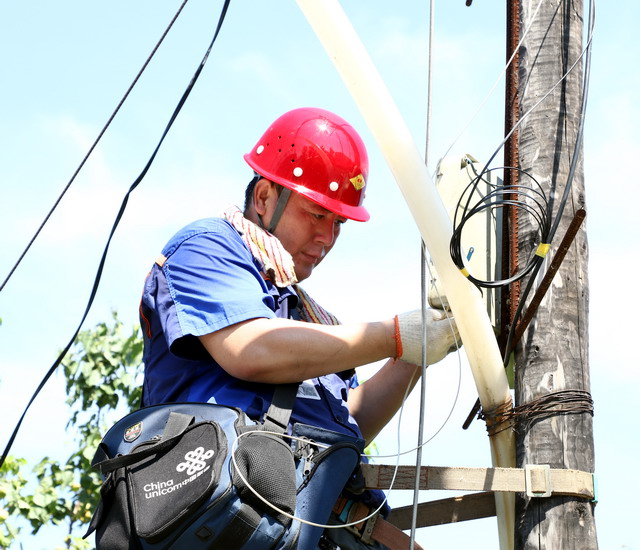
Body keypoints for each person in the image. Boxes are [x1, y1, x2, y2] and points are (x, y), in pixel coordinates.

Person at [138, 107, 460, 549]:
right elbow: (252, 350)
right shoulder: (207, 249)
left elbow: (349, 421)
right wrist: (395, 334)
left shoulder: (314, 320)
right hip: (227, 523)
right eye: (316, 214)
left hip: (314, 524)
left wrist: (418, 352)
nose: (327, 238)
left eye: (338, 223)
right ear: (266, 197)